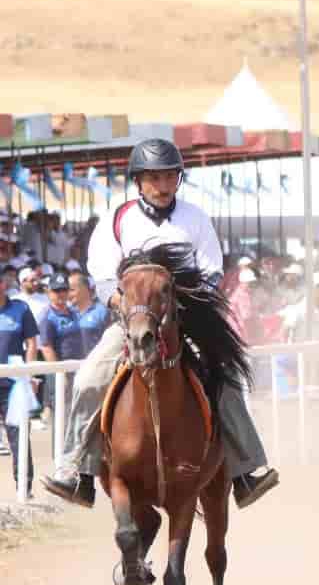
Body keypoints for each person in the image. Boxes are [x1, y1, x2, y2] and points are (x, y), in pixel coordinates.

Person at [42, 139, 280, 509]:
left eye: (170, 177)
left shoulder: (195, 218)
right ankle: (77, 470)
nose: (164, 185)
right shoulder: (117, 220)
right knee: (89, 377)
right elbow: (104, 278)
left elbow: (212, 270)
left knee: (227, 378)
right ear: (138, 181)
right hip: (131, 322)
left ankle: (246, 471)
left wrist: (181, 305)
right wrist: (130, 308)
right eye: (154, 178)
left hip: (186, 321)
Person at [0, 286, 39, 495]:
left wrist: (29, 373)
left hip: (13, 385)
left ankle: (24, 486)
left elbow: (32, 343)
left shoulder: (20, 309)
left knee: (19, 436)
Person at [68, 272, 112, 357]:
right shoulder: (67, 313)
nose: (68, 294)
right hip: (72, 367)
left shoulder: (102, 311)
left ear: (85, 289)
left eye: (72, 290)